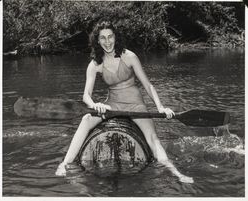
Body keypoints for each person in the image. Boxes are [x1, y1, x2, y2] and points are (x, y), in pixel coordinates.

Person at [55, 20, 194, 184]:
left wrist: (161, 107)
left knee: (152, 138)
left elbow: (148, 85)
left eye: (110, 37)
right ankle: (64, 164)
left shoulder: (129, 56)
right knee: (86, 119)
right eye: (103, 38)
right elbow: (86, 95)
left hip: (136, 105)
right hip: (112, 105)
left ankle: (176, 173)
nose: (107, 42)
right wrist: (94, 105)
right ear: (97, 41)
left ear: (115, 37)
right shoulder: (95, 64)